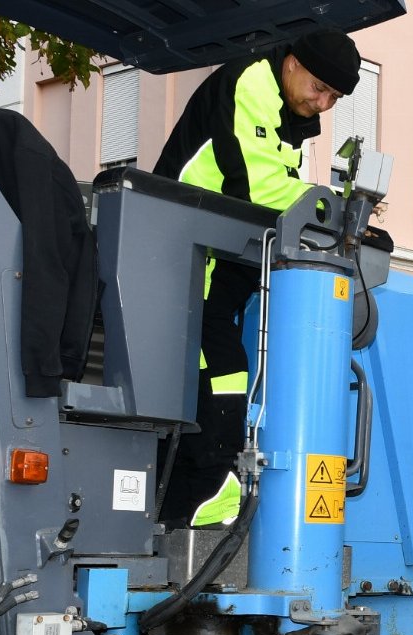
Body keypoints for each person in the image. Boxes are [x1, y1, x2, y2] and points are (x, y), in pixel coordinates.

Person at [153, 31, 363, 529]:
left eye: (334, 97)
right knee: (218, 361)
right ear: (290, 64)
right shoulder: (251, 82)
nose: (324, 102)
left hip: (217, 252)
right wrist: (331, 209)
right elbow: (258, 184)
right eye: (319, 87)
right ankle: (204, 489)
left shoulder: (287, 112)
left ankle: (202, 488)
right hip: (183, 246)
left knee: (223, 360)